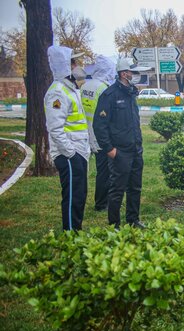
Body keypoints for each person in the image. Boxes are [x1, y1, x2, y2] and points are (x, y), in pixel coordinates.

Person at [93, 57, 150, 229]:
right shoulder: (109, 95)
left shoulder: (131, 93)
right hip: (120, 152)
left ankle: (133, 220)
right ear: (124, 73)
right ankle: (114, 225)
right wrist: (109, 149)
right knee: (117, 190)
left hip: (135, 149)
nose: (135, 75)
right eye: (133, 72)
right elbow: (99, 125)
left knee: (135, 188)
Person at [44, 45, 89, 231]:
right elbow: (55, 129)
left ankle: (76, 231)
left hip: (79, 151)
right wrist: (71, 153)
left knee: (80, 194)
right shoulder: (57, 92)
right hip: (69, 154)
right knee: (72, 195)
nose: (77, 65)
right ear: (65, 65)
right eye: (73, 62)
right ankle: (70, 235)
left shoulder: (71, 89)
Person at [81, 55, 116, 212]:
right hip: (100, 137)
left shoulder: (85, 86)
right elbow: (107, 116)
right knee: (104, 172)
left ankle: (83, 200)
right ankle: (101, 203)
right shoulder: (104, 89)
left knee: (84, 171)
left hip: (84, 135)